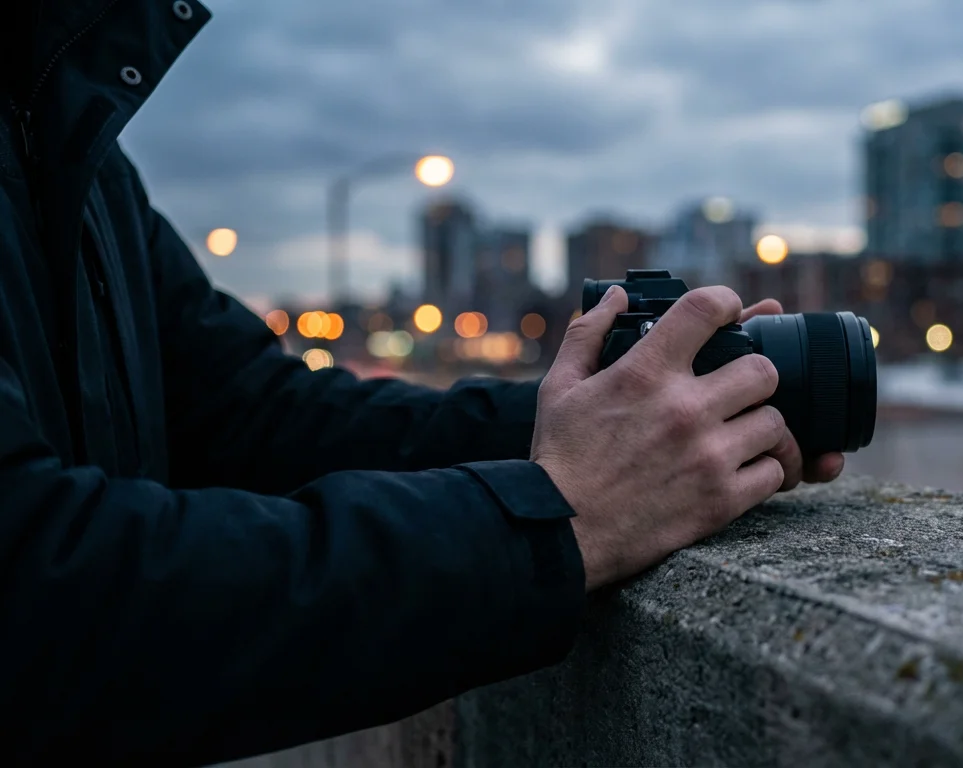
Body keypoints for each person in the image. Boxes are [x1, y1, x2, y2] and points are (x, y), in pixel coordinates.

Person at [0, 2, 844, 764]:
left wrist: (637, 417)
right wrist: (551, 523)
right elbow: (39, 595)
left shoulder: (60, 126)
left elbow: (258, 420)